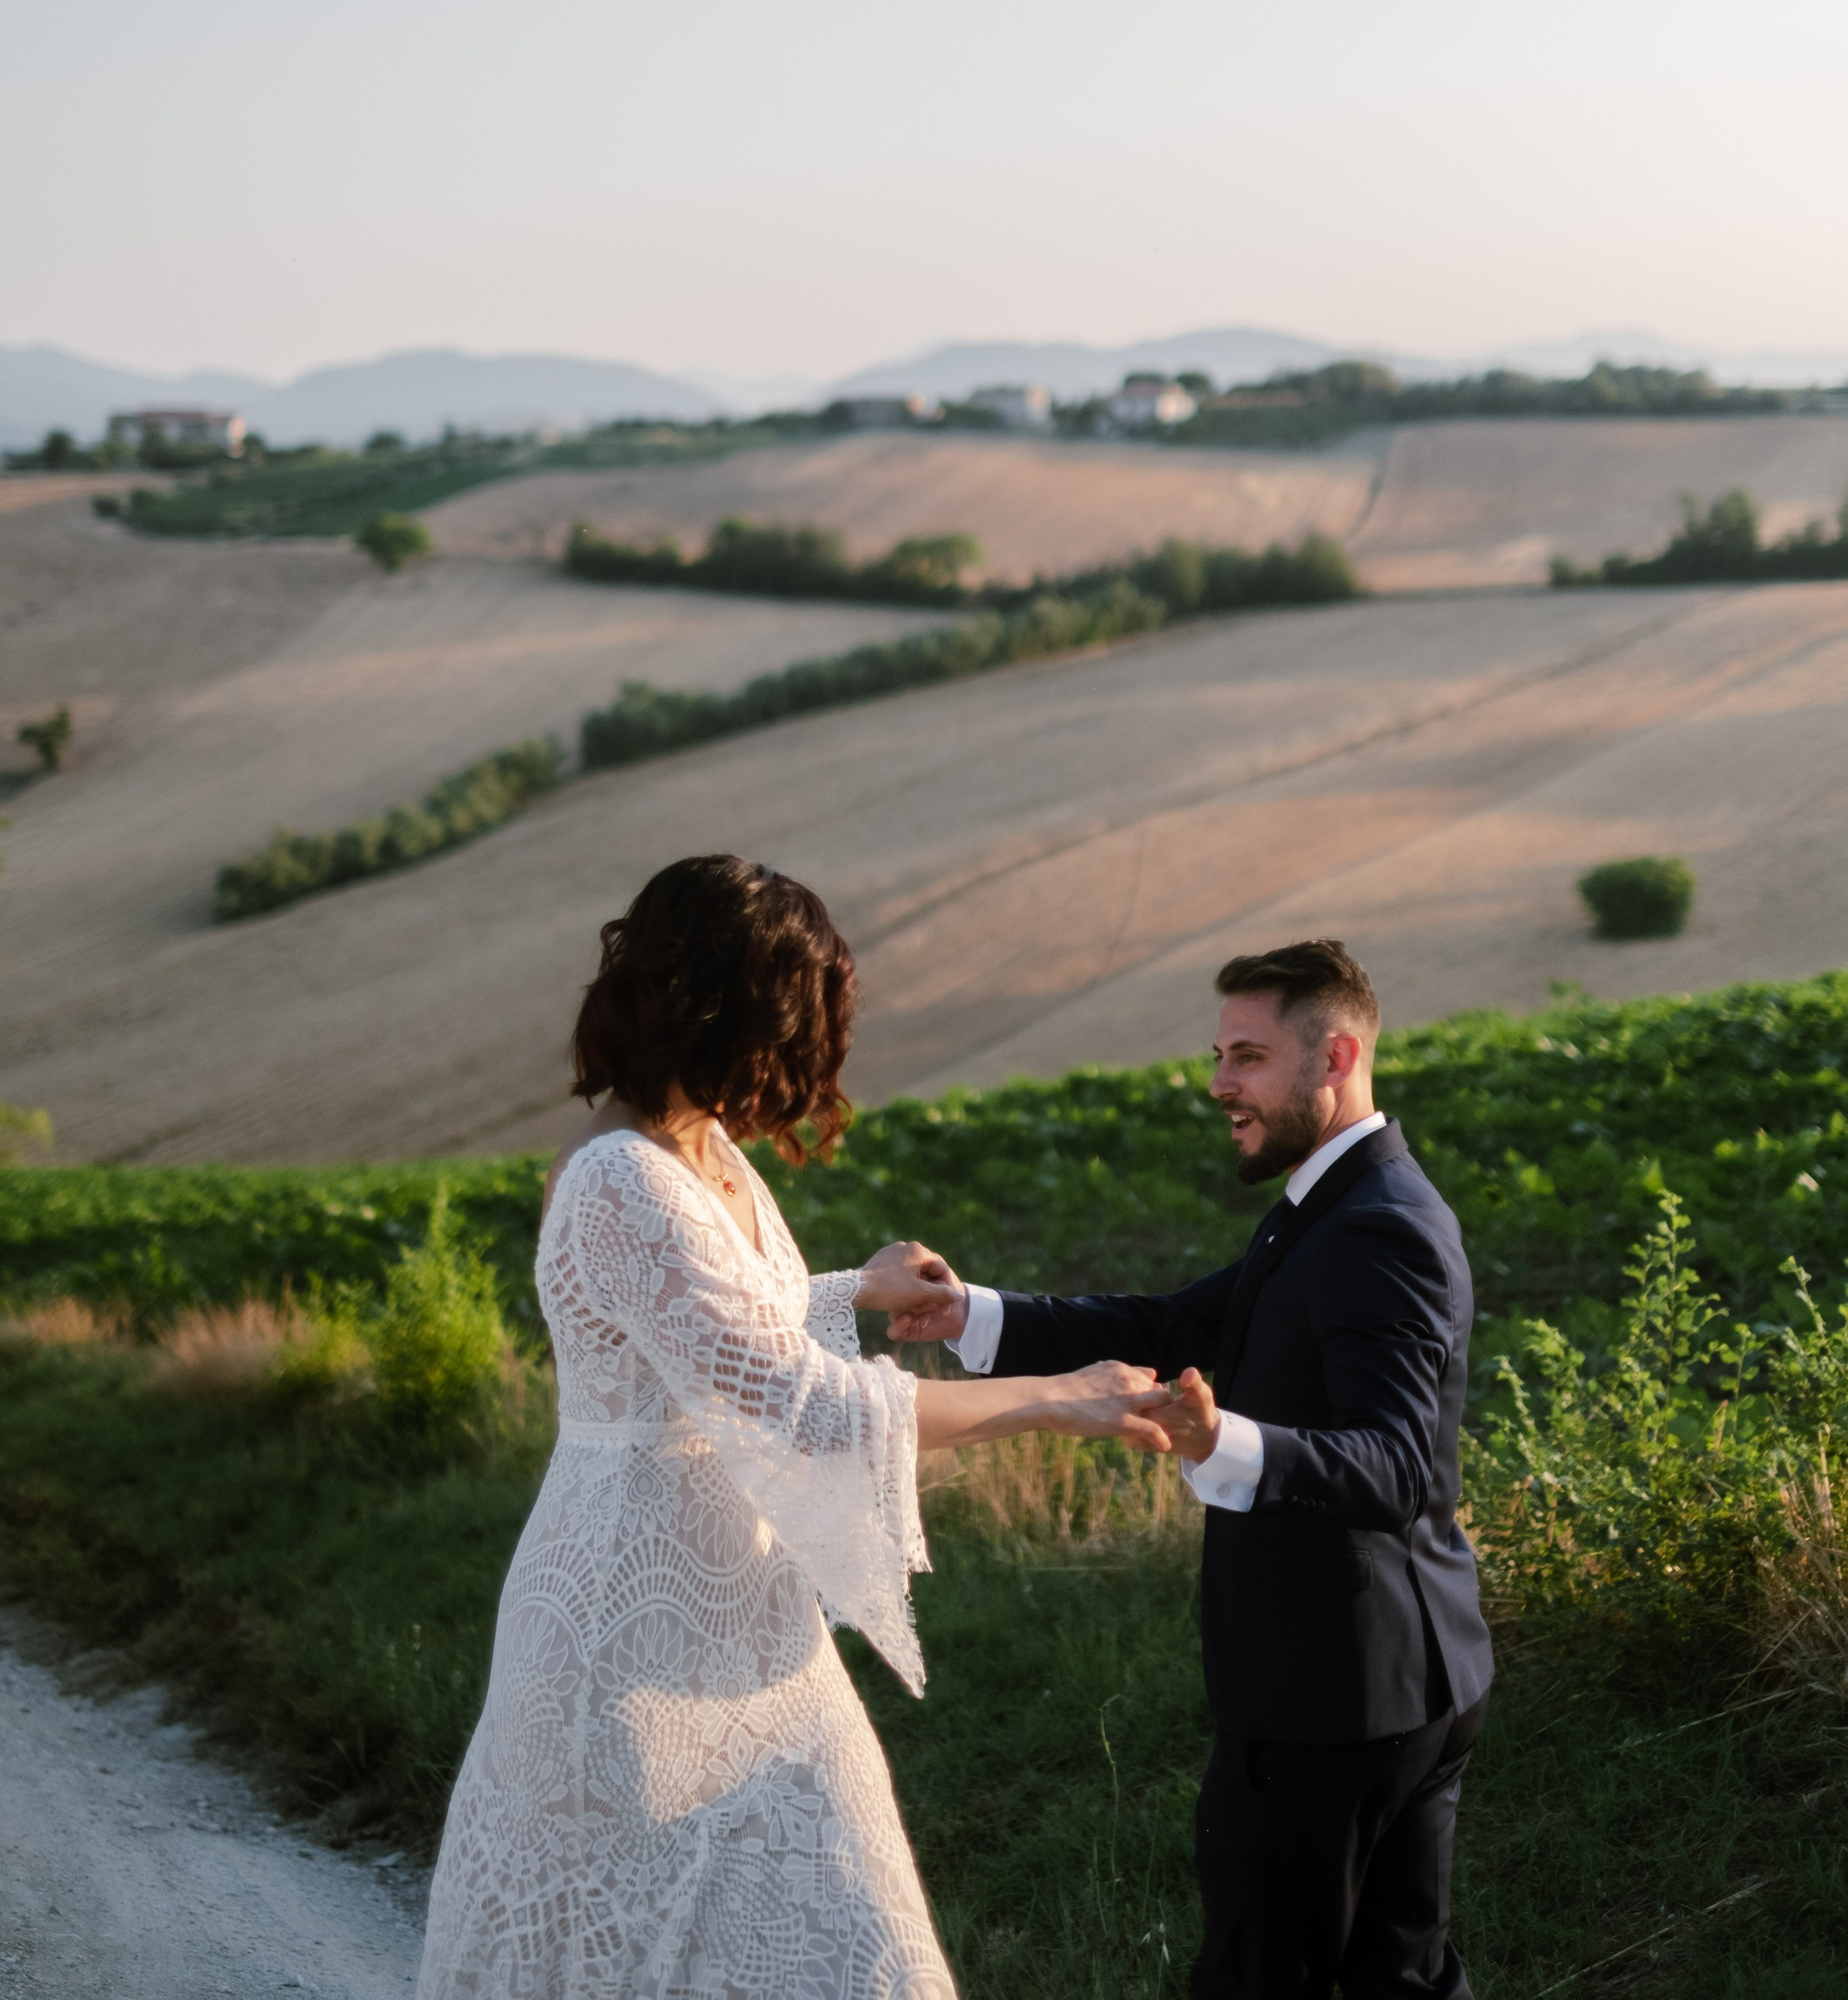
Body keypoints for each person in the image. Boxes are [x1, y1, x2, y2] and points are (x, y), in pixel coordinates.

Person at [417, 854, 1169, 2000]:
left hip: (754, 1625)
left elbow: (716, 1329)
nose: (809, 1066)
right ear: (717, 1011)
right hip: (631, 1635)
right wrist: (1061, 1399)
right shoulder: (620, 1177)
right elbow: (804, 1406)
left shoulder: (701, 1150)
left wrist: (846, 1292)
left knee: (871, 1950)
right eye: (795, 1031)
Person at [889, 938, 1494, 2000]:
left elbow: (1399, 1465)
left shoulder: (1379, 1228)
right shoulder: (1329, 1206)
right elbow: (1172, 1322)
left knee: (1264, 1974)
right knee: (1399, 1979)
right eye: (1219, 1055)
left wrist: (1227, 1444)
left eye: (1248, 1057)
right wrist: (974, 1313)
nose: (1219, 1083)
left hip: (1335, 1696)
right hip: (1406, 1676)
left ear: (1336, 1054)